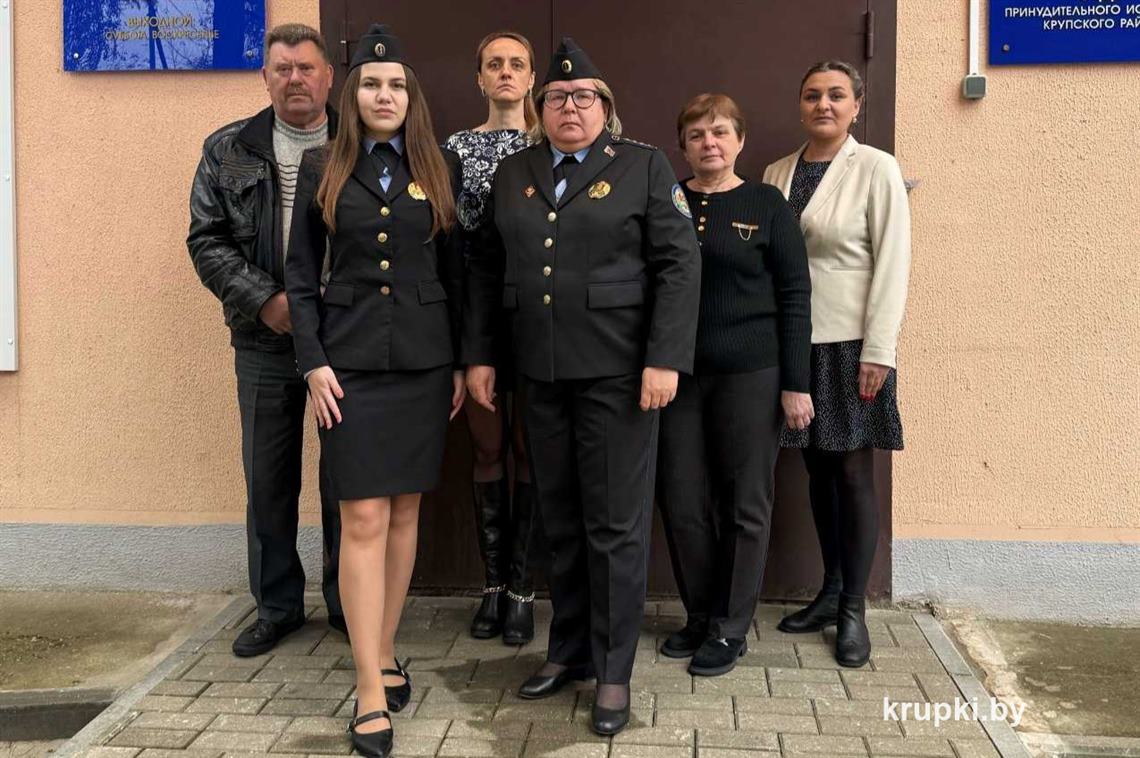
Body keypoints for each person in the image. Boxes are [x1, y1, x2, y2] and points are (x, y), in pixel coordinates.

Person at [464, 38, 701, 736]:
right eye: (559, 98)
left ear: (605, 107)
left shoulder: (642, 166)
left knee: (615, 525)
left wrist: (665, 358)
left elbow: (678, 264)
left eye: (584, 97)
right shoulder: (515, 170)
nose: (571, 107)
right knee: (561, 519)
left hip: (619, 376)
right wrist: (480, 354)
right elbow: (486, 266)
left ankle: (613, 669)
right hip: (540, 373)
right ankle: (567, 650)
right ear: (540, 108)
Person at [284, 24, 464, 758]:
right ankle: (367, 688)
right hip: (349, 364)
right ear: (353, 95)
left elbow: (457, 272)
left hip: (423, 362)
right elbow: (300, 274)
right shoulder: (323, 165)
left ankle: (386, 649)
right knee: (361, 515)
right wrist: (312, 362)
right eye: (370, 84)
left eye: (395, 85)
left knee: (404, 512)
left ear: (410, 97)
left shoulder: (439, 164)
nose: (383, 95)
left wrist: (462, 363)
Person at [187, 23, 346, 657]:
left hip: (344, 339)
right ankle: (277, 607)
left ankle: (349, 602)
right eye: (283, 69)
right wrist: (266, 300)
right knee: (268, 478)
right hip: (264, 338)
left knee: (347, 479)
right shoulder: (229, 149)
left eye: (306, 68)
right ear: (265, 77)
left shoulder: (358, 143)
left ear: (328, 76)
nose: (295, 79)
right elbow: (207, 240)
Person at [656, 94, 813, 677]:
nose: (709, 143)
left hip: (752, 375)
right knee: (681, 499)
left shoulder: (767, 204)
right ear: (683, 145)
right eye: (697, 134)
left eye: (720, 132)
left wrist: (796, 382)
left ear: (740, 140)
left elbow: (795, 295)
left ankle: (730, 627)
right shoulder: (665, 201)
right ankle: (699, 615)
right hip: (679, 377)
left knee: (745, 502)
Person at [764, 60, 911, 668]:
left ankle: (854, 607)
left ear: (857, 104)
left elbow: (893, 262)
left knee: (851, 474)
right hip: (794, 342)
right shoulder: (777, 172)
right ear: (800, 105)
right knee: (817, 473)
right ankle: (829, 591)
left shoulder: (876, 167)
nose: (823, 104)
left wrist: (880, 349)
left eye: (836, 95)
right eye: (812, 95)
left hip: (852, 345)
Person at [444, 31, 542, 646]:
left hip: (537, 317)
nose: (505, 72)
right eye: (494, 64)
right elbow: (452, 241)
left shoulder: (552, 140)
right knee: (486, 449)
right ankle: (493, 583)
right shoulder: (454, 148)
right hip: (476, 316)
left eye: (517, 64)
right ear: (479, 78)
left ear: (532, 78)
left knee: (530, 450)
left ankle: (523, 588)